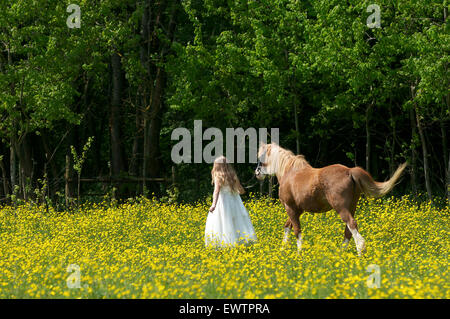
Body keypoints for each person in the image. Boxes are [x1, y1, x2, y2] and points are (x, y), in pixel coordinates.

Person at [205, 156, 257, 248]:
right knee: (236, 220)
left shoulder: (218, 176)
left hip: (223, 202)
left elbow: (216, 191)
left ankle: (225, 243)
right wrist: (241, 191)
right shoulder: (233, 175)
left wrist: (214, 205)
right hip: (234, 200)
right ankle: (240, 242)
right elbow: (240, 189)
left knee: (224, 221)